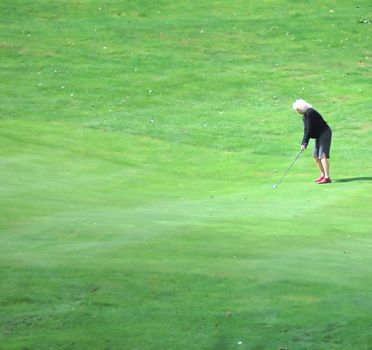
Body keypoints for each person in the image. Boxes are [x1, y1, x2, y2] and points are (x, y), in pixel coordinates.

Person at [293, 99, 332, 184]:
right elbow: (306, 130)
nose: (298, 112)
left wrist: (305, 143)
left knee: (322, 154)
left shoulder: (310, 113)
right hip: (319, 135)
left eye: (298, 110)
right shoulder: (305, 115)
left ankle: (327, 177)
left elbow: (309, 129)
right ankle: (322, 175)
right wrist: (304, 142)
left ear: (302, 108)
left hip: (324, 133)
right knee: (315, 155)